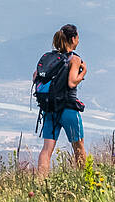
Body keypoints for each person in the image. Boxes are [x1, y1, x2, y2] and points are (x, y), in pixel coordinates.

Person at [35, 24, 87, 178]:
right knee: (78, 147)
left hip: (49, 109)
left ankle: (40, 182)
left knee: (46, 149)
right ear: (73, 38)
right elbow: (71, 82)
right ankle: (85, 179)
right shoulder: (74, 59)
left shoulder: (49, 58)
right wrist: (83, 71)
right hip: (68, 108)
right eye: (77, 37)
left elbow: (35, 77)